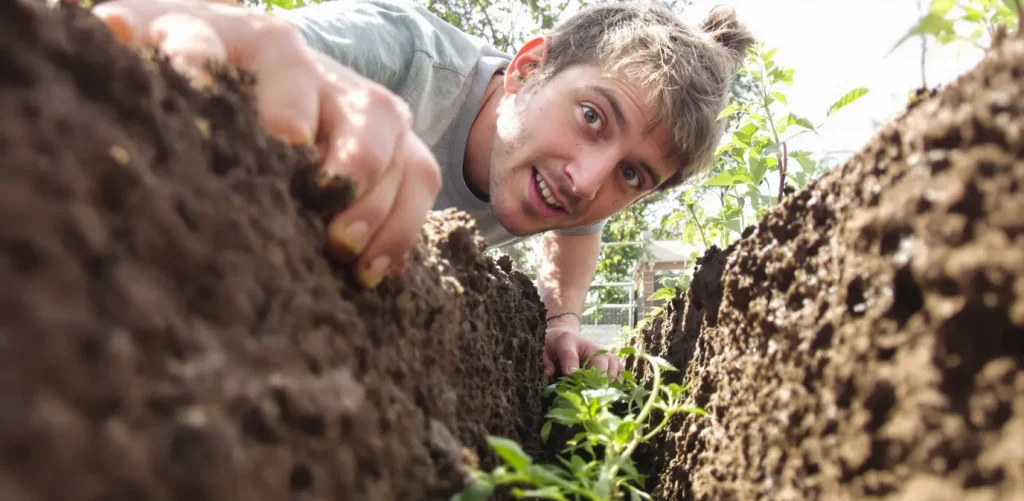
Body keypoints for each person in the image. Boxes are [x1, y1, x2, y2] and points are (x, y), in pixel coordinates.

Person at [87, 0, 754, 380]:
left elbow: (581, 231)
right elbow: (214, 38)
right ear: (527, 68)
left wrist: (563, 320)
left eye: (633, 175)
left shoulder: (574, 188)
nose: (585, 181)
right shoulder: (399, 52)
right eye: (591, 117)